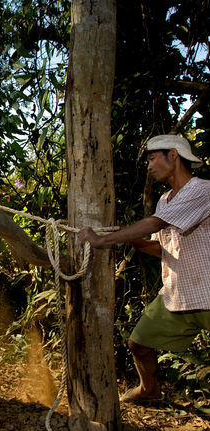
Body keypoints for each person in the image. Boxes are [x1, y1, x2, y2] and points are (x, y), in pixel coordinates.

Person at [78, 134, 209, 404]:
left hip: (207, 291)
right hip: (179, 293)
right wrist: (130, 238)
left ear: (173, 155)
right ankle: (149, 389)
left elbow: (155, 224)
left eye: (152, 158)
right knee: (138, 343)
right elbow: (159, 247)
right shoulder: (165, 200)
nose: (148, 166)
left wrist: (103, 240)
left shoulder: (202, 190)